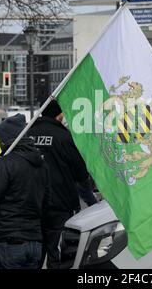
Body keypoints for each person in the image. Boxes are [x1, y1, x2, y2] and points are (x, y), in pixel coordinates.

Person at [0, 114, 51, 269]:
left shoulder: (4, 164)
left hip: (8, 242)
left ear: (6, 138)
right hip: (35, 242)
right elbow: (47, 203)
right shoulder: (41, 165)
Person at [28, 99, 91, 269]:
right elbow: (81, 172)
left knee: (35, 252)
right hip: (60, 202)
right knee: (57, 252)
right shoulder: (64, 137)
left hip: (32, 203)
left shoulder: (27, 134)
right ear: (59, 114)